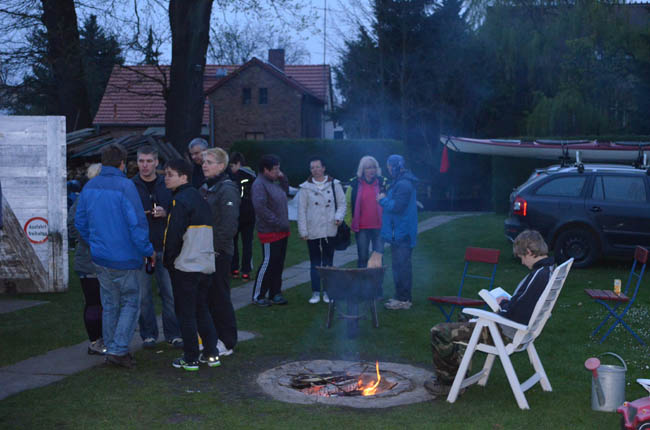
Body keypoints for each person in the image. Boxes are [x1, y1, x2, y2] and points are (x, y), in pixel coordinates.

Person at [425, 230, 555, 398]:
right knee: (464, 319)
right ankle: (457, 373)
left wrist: (503, 305)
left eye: (521, 257)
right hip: (518, 329)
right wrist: (507, 303)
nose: (522, 262)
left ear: (529, 252)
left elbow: (515, 314)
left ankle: (448, 383)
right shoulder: (548, 271)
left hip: (505, 333)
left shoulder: (539, 276)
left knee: (439, 331)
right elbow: (523, 305)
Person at [75, 143, 155, 369]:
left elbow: (80, 222)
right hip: (126, 257)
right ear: (122, 163)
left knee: (109, 304)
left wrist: (96, 244)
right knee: (130, 302)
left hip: (101, 258)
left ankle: (111, 347)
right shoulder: (126, 186)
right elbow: (137, 224)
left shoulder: (90, 186)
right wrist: (147, 251)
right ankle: (118, 349)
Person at [162, 158, 220, 371]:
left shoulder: (180, 200)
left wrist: (168, 261)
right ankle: (212, 353)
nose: (166, 178)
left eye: (170, 174)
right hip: (205, 264)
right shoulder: (200, 198)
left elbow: (173, 236)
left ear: (184, 177)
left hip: (186, 265)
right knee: (202, 309)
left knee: (186, 313)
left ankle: (191, 357)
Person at [132, 145, 182, 349]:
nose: (145, 165)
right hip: (142, 249)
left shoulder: (167, 184)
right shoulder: (131, 186)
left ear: (156, 162)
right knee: (143, 296)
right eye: (141, 161)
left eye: (149, 161)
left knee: (170, 293)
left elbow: (180, 210)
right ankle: (149, 335)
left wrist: (166, 212)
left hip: (165, 247)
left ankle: (173, 334)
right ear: (137, 162)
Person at [200, 147, 240, 356]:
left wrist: (215, 249)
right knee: (208, 298)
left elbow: (229, 225)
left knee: (220, 297)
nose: (204, 164)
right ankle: (211, 337)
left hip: (219, 253)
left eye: (210, 161)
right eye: (204, 161)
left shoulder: (227, 189)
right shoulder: (206, 187)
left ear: (222, 166)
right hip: (205, 253)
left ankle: (227, 341)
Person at [297, 157, 346, 304]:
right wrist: (303, 231)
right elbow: (301, 211)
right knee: (315, 263)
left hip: (330, 228)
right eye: (312, 168)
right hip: (313, 230)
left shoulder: (334, 184)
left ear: (324, 168)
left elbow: (342, 204)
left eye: (318, 167)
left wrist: (338, 217)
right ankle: (315, 292)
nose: (315, 170)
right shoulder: (305, 188)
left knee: (328, 262)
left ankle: (328, 292)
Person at [67, 163, 104, 355]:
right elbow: (73, 225)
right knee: (94, 301)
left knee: (101, 302)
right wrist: (93, 241)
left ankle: (102, 339)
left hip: (101, 259)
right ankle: (95, 341)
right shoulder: (83, 200)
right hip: (89, 261)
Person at [376, 154, 418, 310]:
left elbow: (398, 207)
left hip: (403, 233)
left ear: (395, 166)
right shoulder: (400, 182)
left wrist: (382, 200)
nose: (389, 170)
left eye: (389, 167)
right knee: (398, 266)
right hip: (398, 232)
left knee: (403, 267)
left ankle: (405, 300)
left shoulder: (404, 184)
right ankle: (399, 296)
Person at [251, 154, 290, 307]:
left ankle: (275, 293)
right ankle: (258, 295)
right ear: (265, 170)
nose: (278, 172)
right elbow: (261, 208)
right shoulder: (259, 184)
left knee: (278, 263)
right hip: (270, 231)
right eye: (275, 169)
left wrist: (282, 177)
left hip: (282, 230)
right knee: (268, 262)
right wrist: (277, 222)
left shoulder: (274, 181)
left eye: (278, 168)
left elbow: (286, 191)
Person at [349, 156, 388, 268]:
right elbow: (348, 204)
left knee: (378, 259)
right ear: (362, 170)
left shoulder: (382, 183)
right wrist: (349, 221)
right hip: (362, 228)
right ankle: (362, 285)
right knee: (363, 258)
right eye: (368, 168)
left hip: (379, 227)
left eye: (373, 167)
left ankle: (377, 285)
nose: (371, 170)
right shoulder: (355, 184)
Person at [229, 152, 256, 280]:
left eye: (232, 165)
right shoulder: (253, 176)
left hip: (236, 214)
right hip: (250, 214)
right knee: (247, 243)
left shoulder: (234, 177)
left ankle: (234, 269)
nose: (231, 169)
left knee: (233, 243)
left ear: (238, 164)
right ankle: (246, 271)